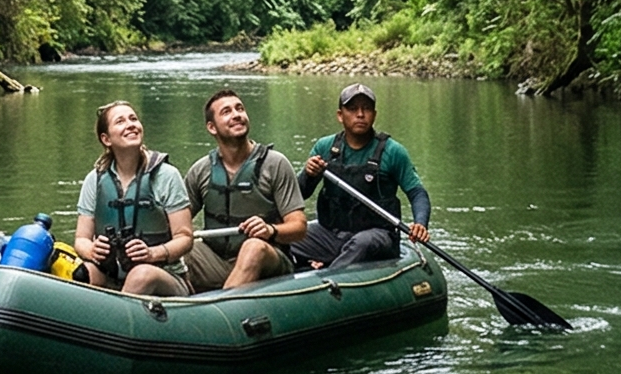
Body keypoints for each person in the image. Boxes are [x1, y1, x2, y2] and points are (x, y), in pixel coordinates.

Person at [293, 83, 430, 270]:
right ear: (340, 115)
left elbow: (417, 193)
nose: (360, 114)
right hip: (331, 234)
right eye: (352, 109)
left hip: (377, 235)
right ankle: (303, 269)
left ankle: (327, 278)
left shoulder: (393, 151)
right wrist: (309, 175)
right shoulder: (324, 148)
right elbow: (299, 194)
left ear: (374, 115)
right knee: (288, 238)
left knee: (361, 243)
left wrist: (420, 223)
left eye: (366, 109)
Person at [179, 88, 305, 291]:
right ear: (212, 127)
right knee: (180, 248)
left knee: (252, 246)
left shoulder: (275, 164)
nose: (237, 115)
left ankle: (221, 312)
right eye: (226, 111)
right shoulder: (200, 170)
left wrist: (270, 230)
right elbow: (177, 225)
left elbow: (299, 228)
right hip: (217, 261)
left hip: (269, 259)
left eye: (240, 109)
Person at [73, 99, 194, 297]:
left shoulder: (166, 175)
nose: (131, 124)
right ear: (106, 139)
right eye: (120, 121)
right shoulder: (94, 180)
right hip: (112, 276)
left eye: (133, 119)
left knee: (141, 274)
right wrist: (92, 250)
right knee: (82, 273)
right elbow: (81, 239)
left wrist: (152, 254)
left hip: (163, 276)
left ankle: (113, 324)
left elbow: (185, 238)